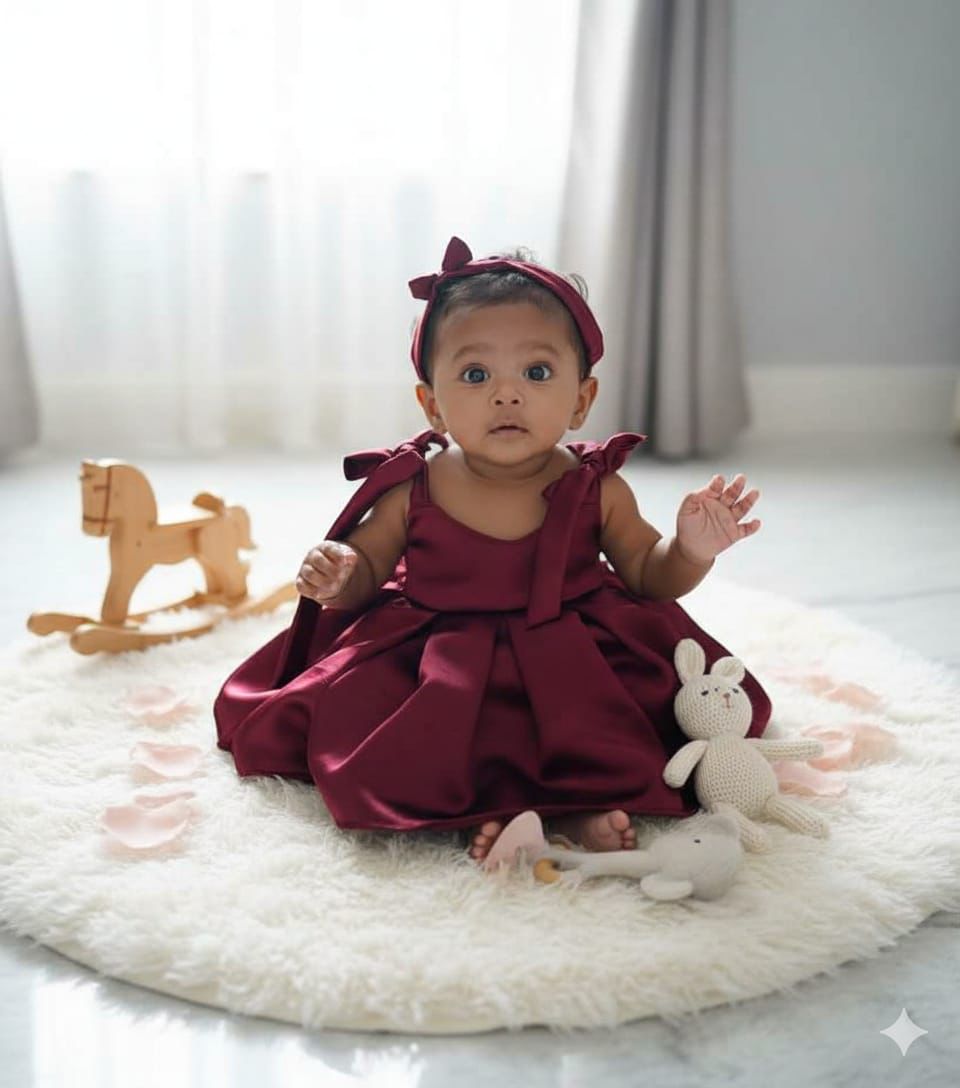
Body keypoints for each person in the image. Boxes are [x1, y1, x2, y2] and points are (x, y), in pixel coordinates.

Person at [213, 235, 771, 864]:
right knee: (430, 739)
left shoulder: (598, 488)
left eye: (537, 373)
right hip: (443, 655)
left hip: (571, 651)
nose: (507, 395)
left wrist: (690, 550)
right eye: (475, 375)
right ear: (433, 404)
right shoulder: (414, 487)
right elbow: (367, 569)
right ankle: (497, 811)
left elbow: (649, 575)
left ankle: (582, 810)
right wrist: (340, 574)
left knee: (602, 729)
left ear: (582, 399)